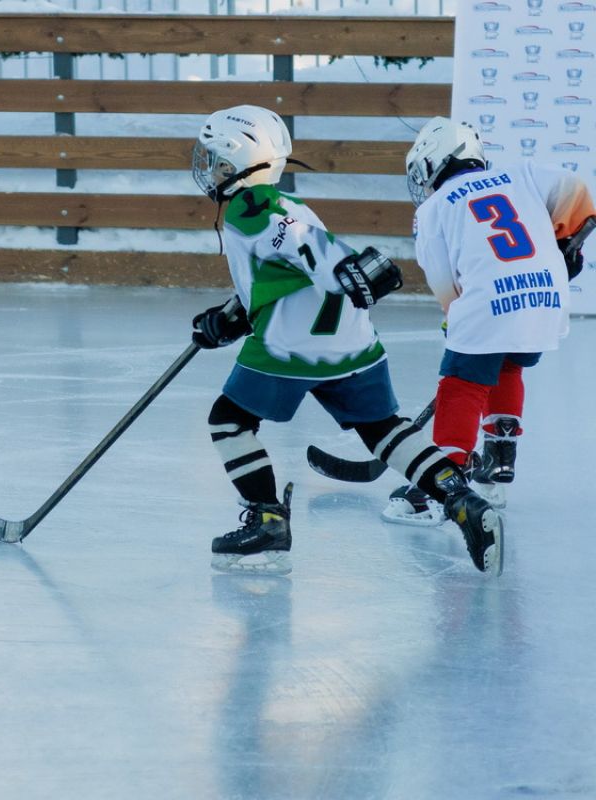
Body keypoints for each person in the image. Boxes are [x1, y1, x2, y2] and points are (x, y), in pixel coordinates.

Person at [189, 104, 504, 575]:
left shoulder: (249, 203)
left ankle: (267, 519)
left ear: (237, 159)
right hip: (353, 341)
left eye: (216, 158)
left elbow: (295, 241)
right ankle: (461, 501)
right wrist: (231, 315)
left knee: (228, 421)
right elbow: (286, 270)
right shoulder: (292, 202)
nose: (210, 168)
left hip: (291, 347)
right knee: (383, 429)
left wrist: (340, 267)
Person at [383, 117, 594, 520]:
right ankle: (498, 462)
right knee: (508, 367)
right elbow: (577, 193)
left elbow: (443, 279)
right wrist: (569, 246)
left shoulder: (434, 208)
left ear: (435, 161)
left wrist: (454, 314)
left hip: (488, 304)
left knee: (461, 384)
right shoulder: (522, 174)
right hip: (545, 300)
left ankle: (443, 486)